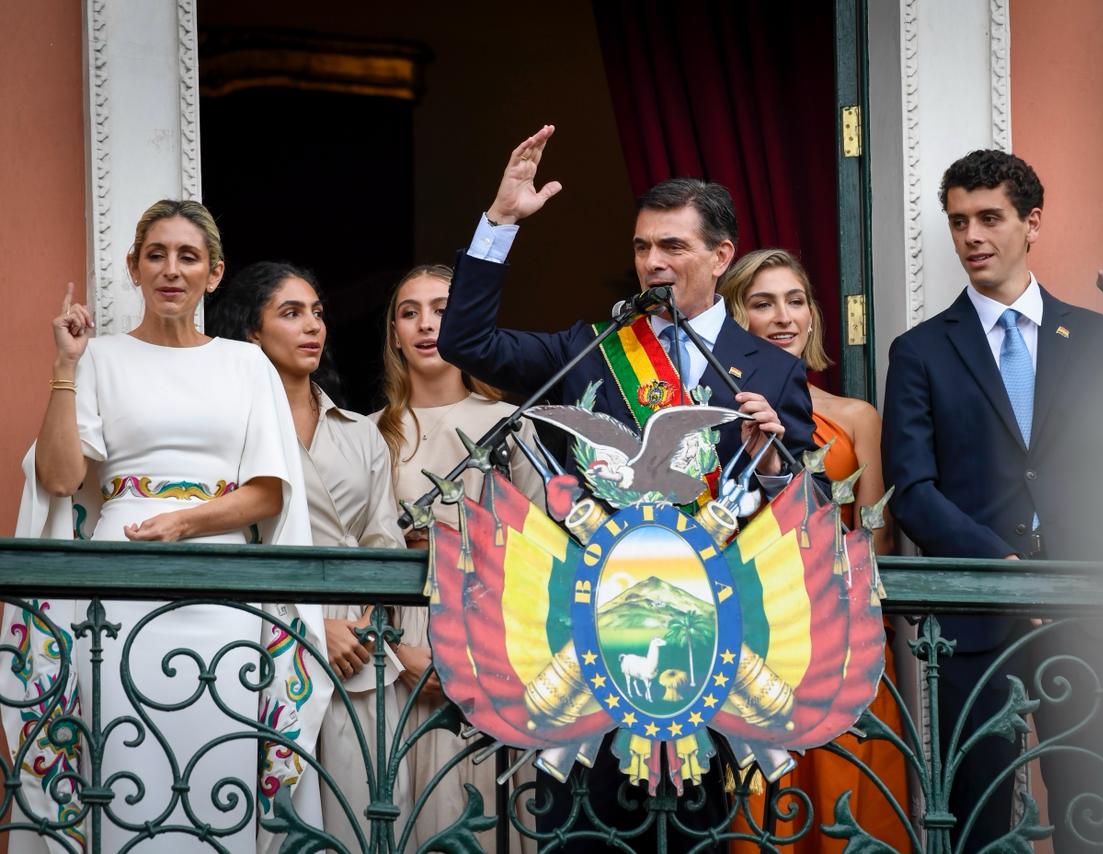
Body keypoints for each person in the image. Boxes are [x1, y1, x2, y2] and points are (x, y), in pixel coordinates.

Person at [436, 125, 820, 851]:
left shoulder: (767, 369)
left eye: (673, 247)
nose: (653, 263)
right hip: (586, 634)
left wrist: (771, 463)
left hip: (707, 643)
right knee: (578, 833)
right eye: (643, 247)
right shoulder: (589, 350)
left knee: (694, 837)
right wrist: (499, 226)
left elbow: (802, 513)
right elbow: (467, 345)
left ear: (720, 256)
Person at [3, 200, 331, 853]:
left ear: (214, 272)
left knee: (221, 763)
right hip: (118, 591)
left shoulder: (246, 365)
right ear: (133, 267)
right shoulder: (100, 359)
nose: (171, 270)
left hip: (224, 592)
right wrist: (66, 365)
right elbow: (64, 478)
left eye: (188, 256)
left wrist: (187, 523)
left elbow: (268, 492)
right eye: (156, 254)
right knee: (121, 763)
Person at [881, 150, 1103, 852]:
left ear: (1032, 223)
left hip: (1088, 609)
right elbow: (914, 494)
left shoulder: (1097, 337)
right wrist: (1009, 566)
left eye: (990, 218)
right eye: (959, 222)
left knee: (1089, 808)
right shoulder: (920, 352)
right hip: (977, 614)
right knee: (975, 815)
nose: (972, 237)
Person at [206, 260, 410, 851]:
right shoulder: (227, 429)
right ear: (251, 332)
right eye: (291, 313)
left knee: (356, 815)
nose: (312, 326)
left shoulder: (361, 431)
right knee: (274, 821)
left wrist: (366, 629)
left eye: (317, 312)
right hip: (266, 635)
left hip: (359, 651)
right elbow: (234, 547)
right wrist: (315, 625)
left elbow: (382, 544)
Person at [720, 248, 909, 853]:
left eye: (795, 301)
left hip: (842, 632)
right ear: (736, 318)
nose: (783, 317)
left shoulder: (855, 417)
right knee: (764, 814)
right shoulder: (720, 416)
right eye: (762, 303)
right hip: (753, 638)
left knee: (853, 802)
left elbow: (877, 535)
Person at [372, 264, 543, 852]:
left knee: (469, 807)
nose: (426, 325)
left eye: (443, 308)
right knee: (392, 799)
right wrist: (394, 650)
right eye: (409, 311)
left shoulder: (507, 426)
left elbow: (538, 545)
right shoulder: (369, 434)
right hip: (392, 642)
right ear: (393, 332)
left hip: (483, 636)